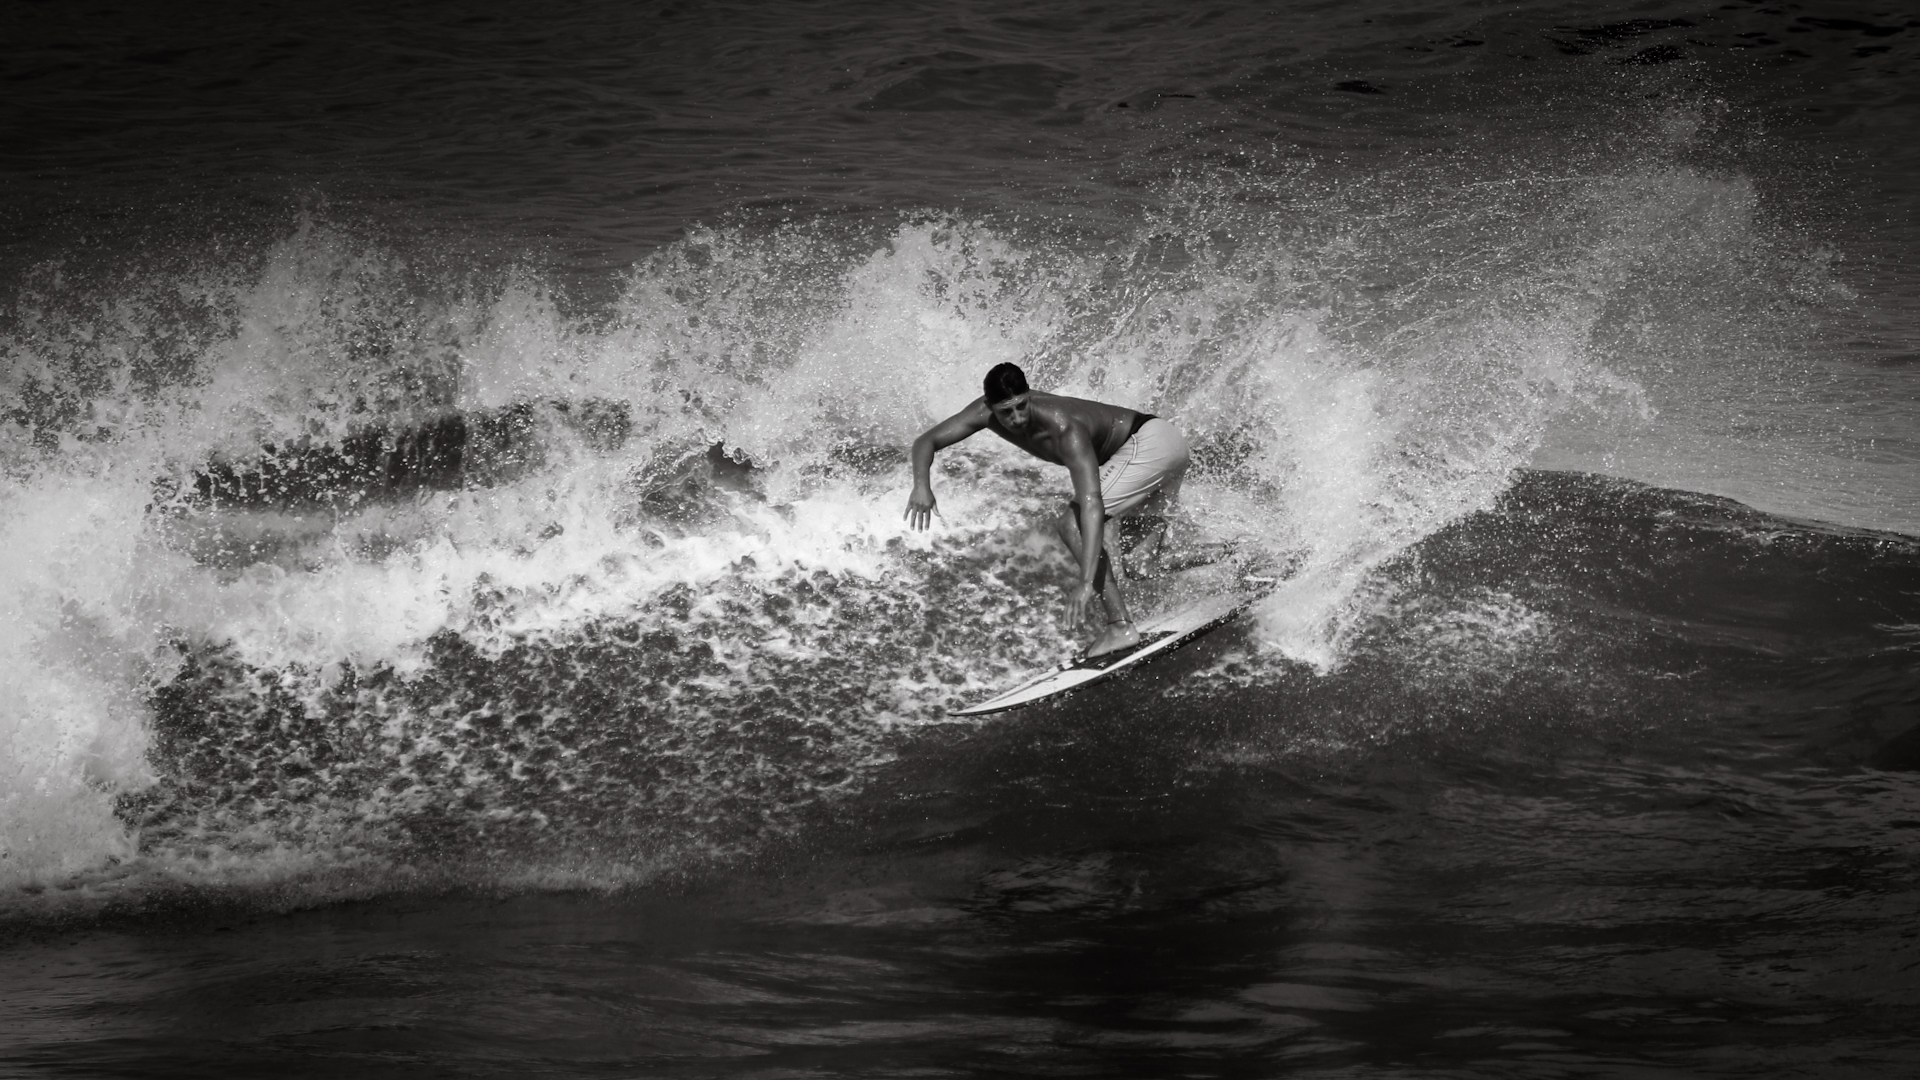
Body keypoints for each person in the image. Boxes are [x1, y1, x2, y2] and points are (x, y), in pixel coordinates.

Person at [904, 362, 1191, 658]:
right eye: (1006, 412)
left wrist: (1085, 582)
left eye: (1021, 406)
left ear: (1029, 396)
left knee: (1071, 523)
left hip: (1148, 444)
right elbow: (927, 440)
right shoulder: (983, 413)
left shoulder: (1064, 427)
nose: (1016, 418)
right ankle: (1237, 553)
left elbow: (1091, 504)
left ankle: (1119, 625)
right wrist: (921, 486)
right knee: (1143, 564)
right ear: (990, 406)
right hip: (1166, 443)